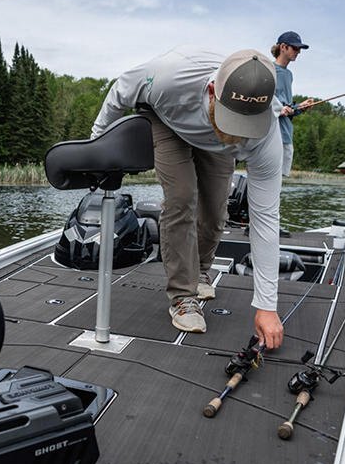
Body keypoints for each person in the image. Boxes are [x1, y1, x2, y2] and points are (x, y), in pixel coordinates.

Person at [90, 47, 285, 350]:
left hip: (213, 144)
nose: (238, 134)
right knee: (182, 198)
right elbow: (119, 93)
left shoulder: (267, 133)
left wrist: (267, 306)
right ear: (212, 91)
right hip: (166, 119)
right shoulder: (169, 76)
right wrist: (96, 146)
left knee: (217, 208)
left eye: (246, 125)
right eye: (231, 119)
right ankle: (183, 296)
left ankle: (201, 271)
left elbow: (266, 219)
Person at [271, 31, 315, 176]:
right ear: (283, 47)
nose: (299, 52)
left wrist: (300, 107)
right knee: (269, 178)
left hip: (286, 135)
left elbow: (287, 106)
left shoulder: (289, 75)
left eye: (299, 49)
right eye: (295, 48)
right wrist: (280, 109)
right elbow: (263, 102)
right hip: (271, 135)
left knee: (279, 182)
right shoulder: (267, 69)